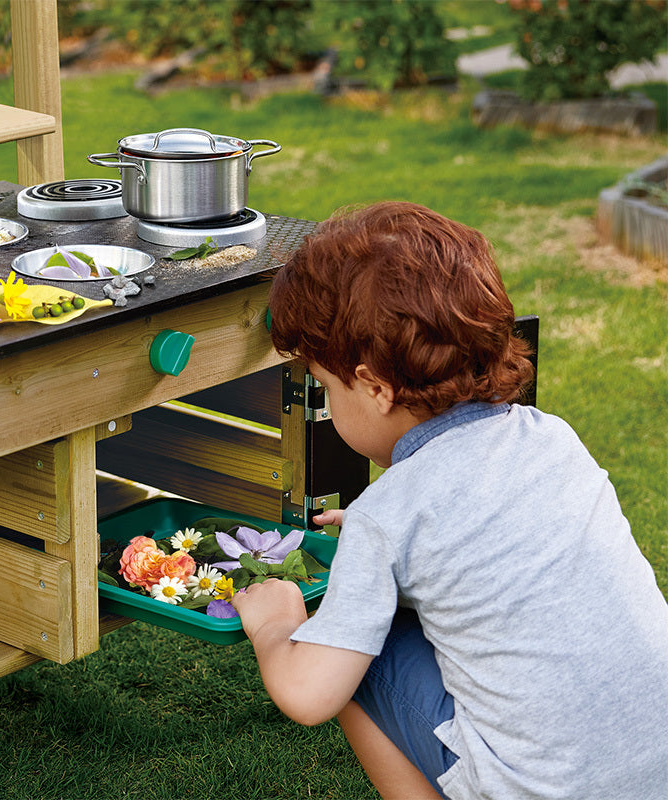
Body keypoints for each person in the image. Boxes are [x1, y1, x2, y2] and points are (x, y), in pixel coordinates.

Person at [231, 201, 668, 800]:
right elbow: (487, 522)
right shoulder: (551, 438)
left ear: (375, 388)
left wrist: (279, 625)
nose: (328, 406)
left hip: (537, 788)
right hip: (653, 768)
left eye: (327, 388)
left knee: (361, 648)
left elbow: (311, 695)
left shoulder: (391, 515)